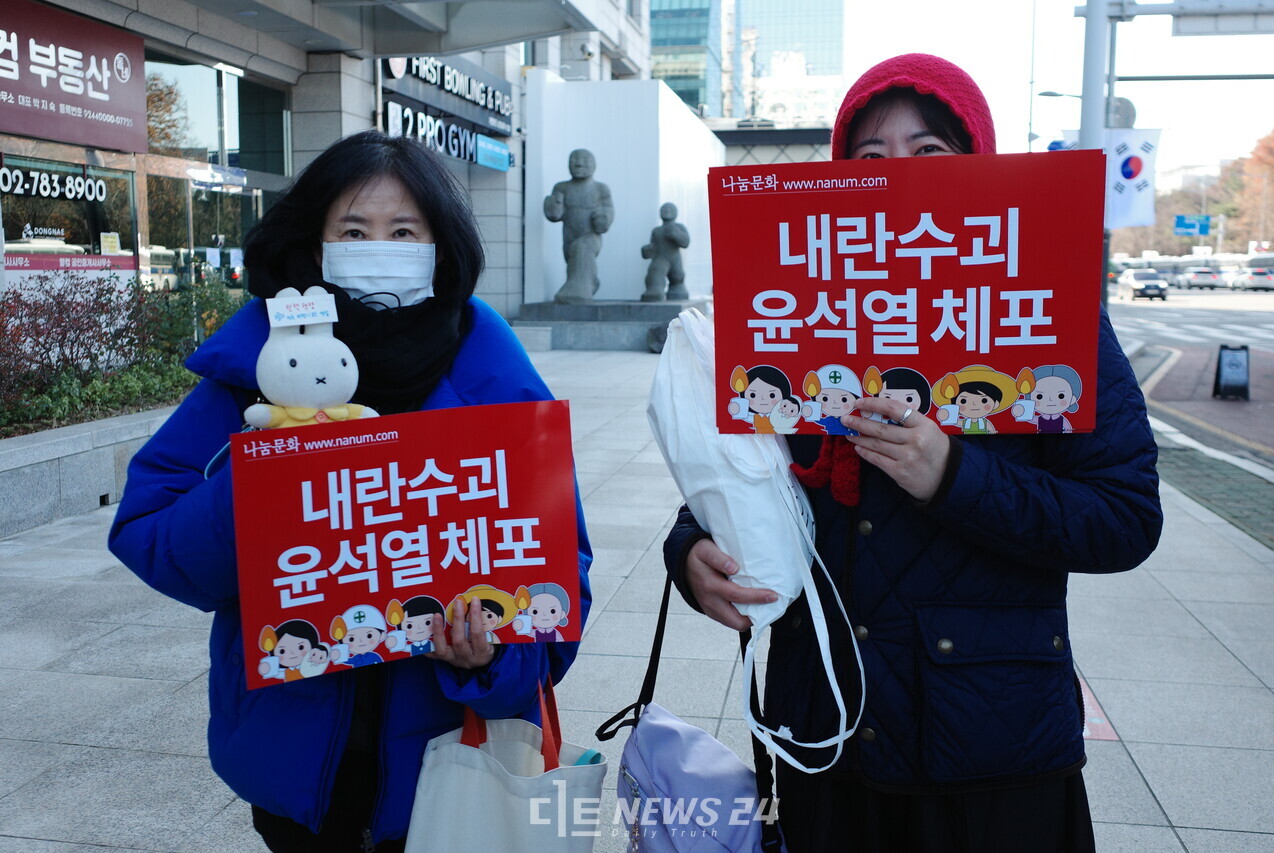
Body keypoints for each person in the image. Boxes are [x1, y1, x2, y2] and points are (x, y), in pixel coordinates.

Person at [662, 54, 1162, 853]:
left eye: (930, 152)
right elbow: (744, 471)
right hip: (829, 738)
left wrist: (954, 475)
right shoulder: (801, 298)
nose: (899, 175)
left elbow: (1125, 517)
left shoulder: (1045, 307)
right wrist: (687, 549)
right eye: (870, 157)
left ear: (979, 166)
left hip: (988, 755)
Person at [108, 130, 593, 852]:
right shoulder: (260, 367)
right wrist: (260, 476)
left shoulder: (493, 375)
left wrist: (491, 661)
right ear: (316, 242)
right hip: (297, 775)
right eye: (355, 230)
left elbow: (559, 590)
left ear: (440, 245)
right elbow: (148, 530)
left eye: (404, 231)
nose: (381, 247)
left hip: (446, 773)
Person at [543, 148, 614, 304]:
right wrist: (554, 204)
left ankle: (577, 292)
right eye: (574, 160)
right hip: (569, 235)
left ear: (594, 164)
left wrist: (602, 217)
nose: (579, 163)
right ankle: (590, 282)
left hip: (590, 237)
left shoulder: (600, 189)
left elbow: (607, 212)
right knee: (574, 263)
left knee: (581, 249)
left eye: (585, 160)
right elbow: (554, 215)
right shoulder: (561, 187)